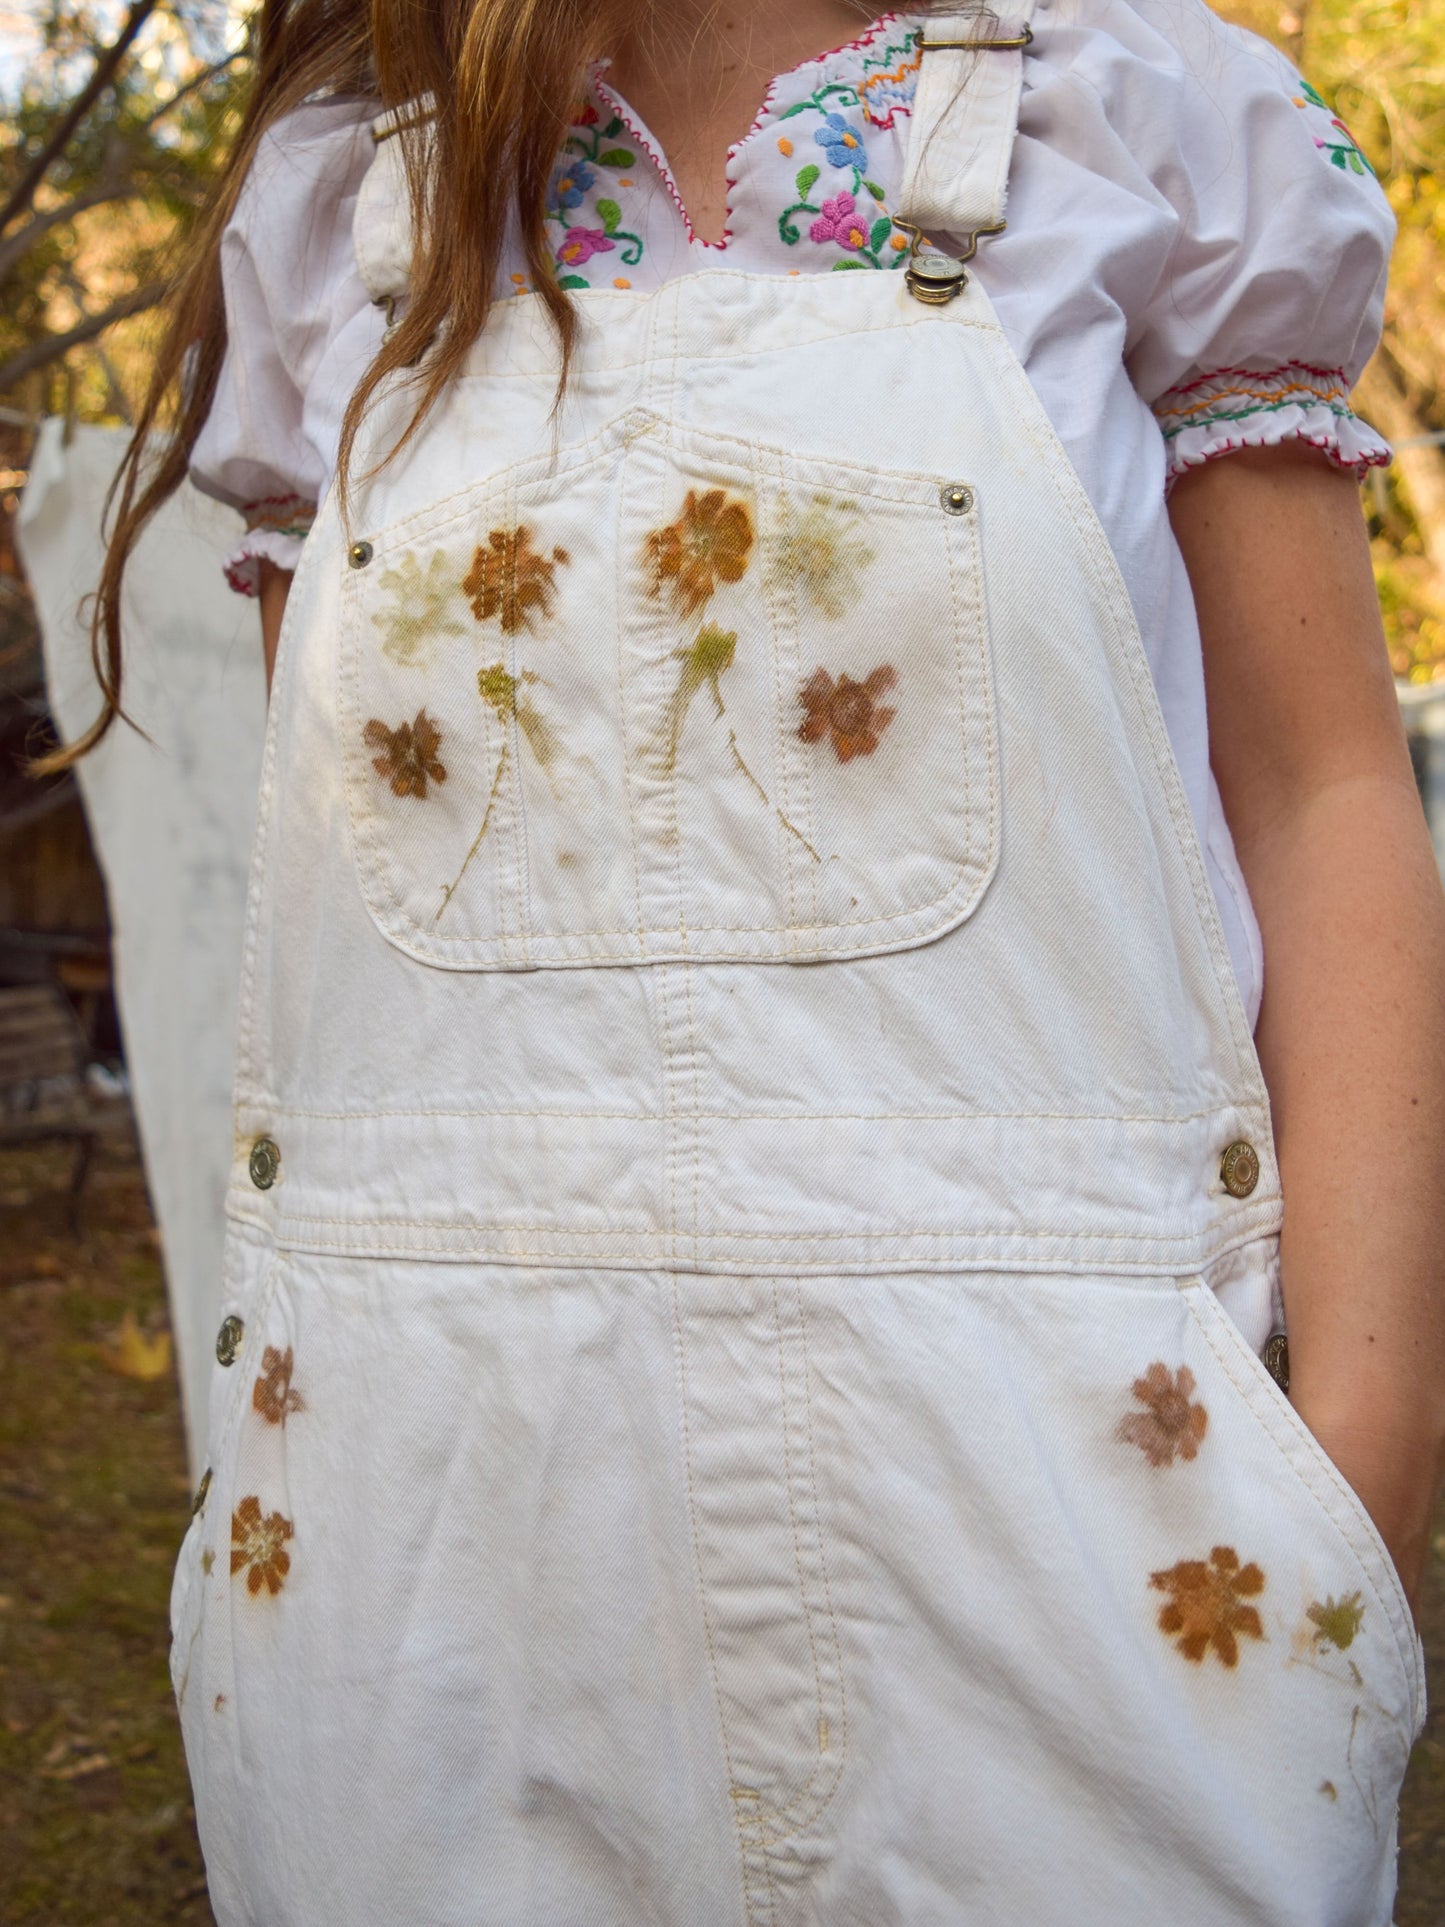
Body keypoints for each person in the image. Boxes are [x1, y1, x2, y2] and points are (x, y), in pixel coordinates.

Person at [71, 0, 1445, 1918]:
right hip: (435, 1571)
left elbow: (1318, 791)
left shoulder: (1130, 127)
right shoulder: (350, 223)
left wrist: (1368, 1444)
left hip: (1092, 1536)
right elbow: (340, 959)